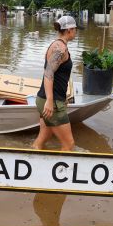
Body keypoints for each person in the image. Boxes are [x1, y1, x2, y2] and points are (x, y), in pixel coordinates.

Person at [32, 15, 77, 151]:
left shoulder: (57, 45)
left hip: (47, 99)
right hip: (51, 103)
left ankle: (33, 160)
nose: (76, 32)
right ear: (69, 30)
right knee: (69, 144)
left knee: (42, 138)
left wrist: (62, 98)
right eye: (75, 29)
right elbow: (48, 74)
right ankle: (63, 172)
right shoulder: (60, 49)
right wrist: (51, 101)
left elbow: (58, 75)